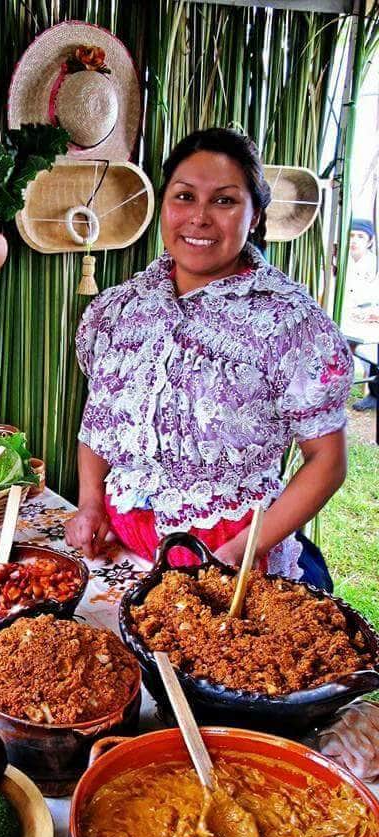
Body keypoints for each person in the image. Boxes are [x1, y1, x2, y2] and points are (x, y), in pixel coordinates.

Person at [64, 127, 353, 590]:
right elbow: (100, 421)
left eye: (224, 201)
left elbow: (327, 461)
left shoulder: (289, 323)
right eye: (184, 196)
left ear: (255, 216)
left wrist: (245, 548)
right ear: (164, 206)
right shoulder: (120, 310)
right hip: (125, 554)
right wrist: (91, 503)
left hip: (234, 564)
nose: (199, 218)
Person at [342, 217, 379, 412]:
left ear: (370, 241)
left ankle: (374, 394)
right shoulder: (340, 261)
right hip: (346, 316)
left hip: (371, 318)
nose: (355, 240)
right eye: (351, 236)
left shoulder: (375, 265)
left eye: (360, 236)